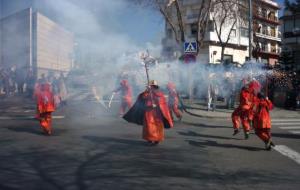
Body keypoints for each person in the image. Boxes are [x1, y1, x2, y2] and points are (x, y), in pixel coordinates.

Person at [123, 80, 174, 145]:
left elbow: (162, 102)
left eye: (152, 86)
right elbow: (142, 97)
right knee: (148, 126)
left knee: (157, 126)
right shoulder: (147, 93)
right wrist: (147, 91)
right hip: (148, 112)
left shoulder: (159, 93)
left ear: (155, 86)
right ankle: (149, 138)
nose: (151, 87)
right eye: (150, 86)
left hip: (157, 113)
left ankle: (157, 139)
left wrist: (156, 105)